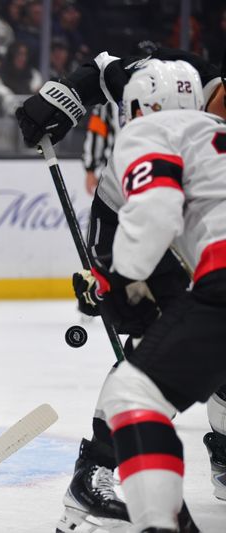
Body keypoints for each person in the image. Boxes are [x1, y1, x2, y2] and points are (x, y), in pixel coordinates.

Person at [15, 48, 226, 532]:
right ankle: (100, 468)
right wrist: (64, 95)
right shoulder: (175, 81)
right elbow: (109, 67)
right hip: (131, 209)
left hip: (192, 223)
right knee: (161, 334)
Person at [92, 58, 226, 532]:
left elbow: (155, 207)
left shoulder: (152, 131)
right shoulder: (215, 129)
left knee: (130, 393)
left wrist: (125, 276)